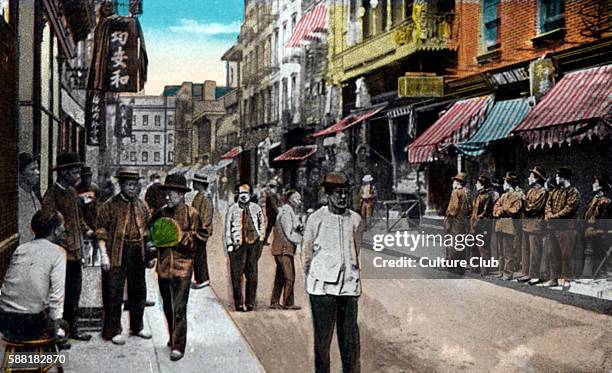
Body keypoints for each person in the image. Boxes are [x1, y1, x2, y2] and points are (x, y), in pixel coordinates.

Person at [302, 172, 363, 373]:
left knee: (350, 342)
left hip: (348, 288)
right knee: (323, 342)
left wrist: (351, 272)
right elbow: (306, 253)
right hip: (322, 289)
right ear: (328, 195)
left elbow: (356, 248)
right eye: (338, 193)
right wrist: (313, 276)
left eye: (345, 193)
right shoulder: (316, 219)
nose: (343, 197)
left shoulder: (355, 219)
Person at [95, 169, 152, 345]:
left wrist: (150, 254)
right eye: (128, 185)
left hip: (137, 251)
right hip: (116, 252)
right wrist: (104, 255)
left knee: (139, 290)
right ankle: (113, 330)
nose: (132, 188)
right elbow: (101, 231)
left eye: (135, 185)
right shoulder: (109, 205)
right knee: (114, 292)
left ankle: (137, 326)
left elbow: (149, 231)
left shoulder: (142, 206)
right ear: (121, 185)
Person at [150, 173, 202, 361]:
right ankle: (173, 337)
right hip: (164, 267)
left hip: (183, 267)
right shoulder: (161, 213)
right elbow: (151, 234)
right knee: (167, 306)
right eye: (165, 194)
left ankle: (179, 345)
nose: (167, 197)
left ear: (180, 194)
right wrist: (151, 248)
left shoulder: (191, 214)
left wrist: (181, 237)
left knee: (179, 307)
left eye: (170, 194)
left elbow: (199, 239)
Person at [41, 152, 92, 341]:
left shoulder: (72, 192)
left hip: (76, 252)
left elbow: (78, 220)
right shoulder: (51, 194)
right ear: (62, 173)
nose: (78, 176)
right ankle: (58, 334)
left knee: (74, 293)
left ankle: (72, 329)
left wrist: (88, 232)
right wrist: (65, 243)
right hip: (60, 254)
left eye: (79, 172)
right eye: (74, 172)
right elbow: (48, 227)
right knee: (58, 296)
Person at [0, 210, 66, 341]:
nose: (64, 229)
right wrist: (56, 325)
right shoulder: (58, 252)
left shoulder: (21, 248)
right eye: (62, 225)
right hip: (32, 322)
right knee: (64, 326)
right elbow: (56, 297)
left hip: (4, 320)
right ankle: (44, 357)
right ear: (55, 230)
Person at [224, 182, 265, 312]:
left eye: (246, 193)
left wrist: (261, 238)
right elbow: (227, 228)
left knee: (252, 275)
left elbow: (262, 223)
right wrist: (230, 243)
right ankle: (239, 304)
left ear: (250, 195)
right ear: (238, 194)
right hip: (237, 245)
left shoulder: (256, 208)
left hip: (253, 244)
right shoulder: (233, 209)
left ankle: (250, 302)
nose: (243, 196)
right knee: (236, 276)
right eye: (241, 193)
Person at [543, 167, 580, 288]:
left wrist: (553, 217)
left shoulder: (573, 192)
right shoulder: (555, 191)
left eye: (558, 176)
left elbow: (569, 209)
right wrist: (548, 214)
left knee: (566, 254)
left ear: (564, 177)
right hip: (553, 228)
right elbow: (548, 204)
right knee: (553, 254)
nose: (557, 178)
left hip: (566, 228)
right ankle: (553, 278)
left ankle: (566, 279)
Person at [270, 190, 303, 310]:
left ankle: (274, 301)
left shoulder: (289, 211)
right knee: (289, 276)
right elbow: (289, 233)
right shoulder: (286, 212)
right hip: (284, 248)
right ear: (290, 199)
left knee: (280, 276)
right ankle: (288, 303)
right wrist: (301, 237)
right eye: (297, 198)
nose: (300, 201)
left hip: (284, 248)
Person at [492, 172, 524, 281]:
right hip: (500, 225)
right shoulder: (503, 195)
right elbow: (495, 210)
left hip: (509, 226)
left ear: (509, 183)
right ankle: (501, 271)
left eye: (505, 182)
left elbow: (513, 211)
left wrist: (502, 209)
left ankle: (508, 272)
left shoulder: (517, 196)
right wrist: (502, 210)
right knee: (500, 251)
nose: (503, 184)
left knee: (508, 252)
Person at [520, 167, 548, 285]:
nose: (529, 178)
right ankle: (527, 273)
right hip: (527, 224)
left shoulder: (543, 192)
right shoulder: (531, 191)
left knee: (535, 251)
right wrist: (526, 204)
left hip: (536, 225)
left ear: (536, 178)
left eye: (531, 176)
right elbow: (527, 204)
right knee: (526, 251)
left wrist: (525, 205)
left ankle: (534, 275)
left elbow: (535, 208)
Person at [581, 173, 611, 278]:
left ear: (601, 186)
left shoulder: (605, 201)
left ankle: (595, 273)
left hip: (596, 231)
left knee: (594, 252)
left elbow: (603, 220)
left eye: (596, 183)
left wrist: (597, 230)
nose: (593, 184)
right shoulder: (594, 198)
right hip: (587, 228)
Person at [191, 173, 214, 289]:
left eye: (195, 182)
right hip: (197, 230)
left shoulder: (205, 197)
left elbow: (206, 216)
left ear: (200, 184)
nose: (193, 184)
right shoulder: (199, 195)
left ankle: (203, 278)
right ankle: (200, 278)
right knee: (198, 255)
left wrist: (201, 230)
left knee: (200, 255)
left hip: (200, 231)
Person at [444, 172, 470, 274]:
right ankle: (459, 262)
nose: (453, 183)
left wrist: (448, 216)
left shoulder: (456, 192)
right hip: (462, 220)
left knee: (452, 241)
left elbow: (453, 208)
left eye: (454, 181)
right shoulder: (465, 192)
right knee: (460, 241)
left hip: (455, 220)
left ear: (458, 182)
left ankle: (451, 263)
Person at [469, 174, 493, 275]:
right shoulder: (477, 196)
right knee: (473, 247)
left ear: (483, 185)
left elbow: (485, 212)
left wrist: (476, 224)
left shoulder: (487, 196)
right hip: (474, 224)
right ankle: (474, 268)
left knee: (483, 248)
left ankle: (485, 270)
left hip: (482, 226)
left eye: (478, 183)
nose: (476, 185)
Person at [77, 166, 99, 265]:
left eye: (89, 177)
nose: (87, 179)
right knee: (83, 237)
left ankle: (94, 257)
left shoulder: (95, 187)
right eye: (85, 177)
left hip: (93, 215)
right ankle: (84, 257)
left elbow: (99, 200)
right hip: (83, 214)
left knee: (95, 237)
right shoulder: (77, 188)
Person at [18, 152, 41, 244]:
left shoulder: (32, 194)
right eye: (33, 169)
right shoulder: (17, 197)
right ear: (21, 173)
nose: (38, 172)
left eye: (37, 168)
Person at [260, 180, 281, 246]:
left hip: (270, 213)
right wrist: (278, 212)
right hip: (272, 213)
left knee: (270, 227)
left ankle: (265, 240)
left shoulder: (270, 193)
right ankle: (274, 241)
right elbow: (273, 204)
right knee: (275, 227)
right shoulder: (272, 194)